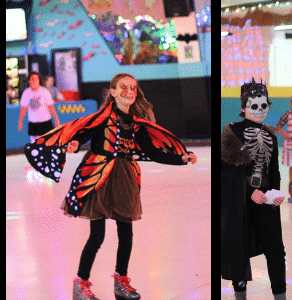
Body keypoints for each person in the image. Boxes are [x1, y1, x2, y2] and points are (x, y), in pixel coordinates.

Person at [24, 73, 196, 300]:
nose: (129, 92)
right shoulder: (101, 119)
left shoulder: (136, 125)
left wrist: (180, 159)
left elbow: (153, 152)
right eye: (123, 87)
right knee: (97, 235)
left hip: (125, 179)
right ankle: (80, 284)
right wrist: (73, 145)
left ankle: (120, 282)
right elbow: (80, 136)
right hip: (98, 177)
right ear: (113, 92)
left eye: (133, 88)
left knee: (126, 234)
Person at [220, 78, 286, 300]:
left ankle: (280, 296)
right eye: (253, 106)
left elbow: (274, 170)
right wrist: (249, 192)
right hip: (240, 202)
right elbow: (226, 172)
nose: (259, 111)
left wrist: (275, 195)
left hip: (265, 201)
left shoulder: (270, 135)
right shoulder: (232, 133)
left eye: (264, 106)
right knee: (238, 251)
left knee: (276, 251)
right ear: (243, 108)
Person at [17, 72, 60, 143]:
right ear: (29, 81)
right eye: (32, 79)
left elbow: (50, 106)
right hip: (33, 123)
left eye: (36, 79)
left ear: (39, 81)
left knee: (48, 143)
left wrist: (56, 119)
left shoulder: (44, 91)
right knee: (34, 145)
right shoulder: (26, 93)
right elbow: (23, 108)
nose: (34, 81)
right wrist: (20, 122)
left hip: (45, 122)